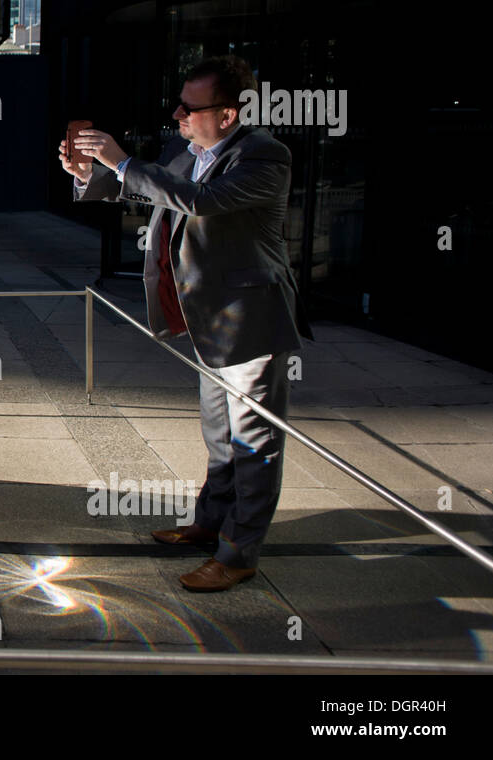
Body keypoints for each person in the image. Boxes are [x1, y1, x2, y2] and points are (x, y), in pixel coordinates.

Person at [60, 55, 313, 592]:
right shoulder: (190, 152)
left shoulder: (265, 155)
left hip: (250, 323)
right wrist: (89, 174)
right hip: (208, 324)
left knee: (254, 446)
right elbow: (141, 192)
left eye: (188, 106)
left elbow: (201, 201)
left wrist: (123, 160)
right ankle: (210, 524)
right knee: (221, 438)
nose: (176, 114)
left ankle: (239, 554)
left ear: (227, 114)